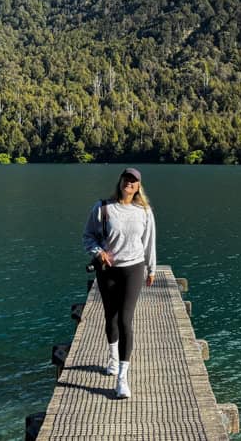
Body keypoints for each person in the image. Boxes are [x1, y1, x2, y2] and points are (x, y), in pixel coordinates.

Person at [82, 167, 157, 399]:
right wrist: (97, 252)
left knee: (125, 320)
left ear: (138, 187)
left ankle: (122, 378)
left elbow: (149, 242)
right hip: (108, 271)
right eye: (127, 179)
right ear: (121, 181)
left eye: (134, 181)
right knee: (110, 318)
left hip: (133, 268)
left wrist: (151, 268)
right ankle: (113, 359)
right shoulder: (103, 208)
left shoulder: (144, 211)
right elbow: (88, 236)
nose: (130, 183)